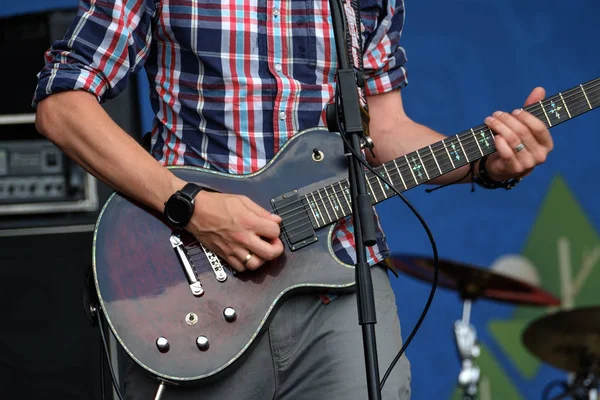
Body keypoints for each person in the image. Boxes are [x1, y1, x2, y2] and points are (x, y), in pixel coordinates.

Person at [32, 0, 553, 399]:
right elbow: (63, 104)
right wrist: (191, 205)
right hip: (196, 286)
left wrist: (485, 162)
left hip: (343, 277)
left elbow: (385, 128)